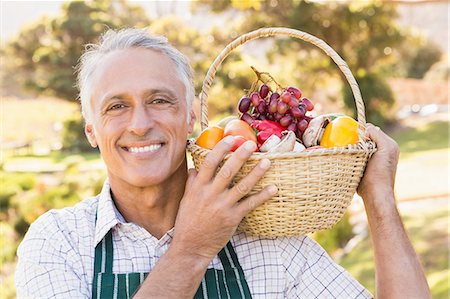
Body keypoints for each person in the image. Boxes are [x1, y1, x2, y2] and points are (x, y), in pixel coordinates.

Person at [15, 28, 430, 299]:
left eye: (160, 100)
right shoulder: (59, 242)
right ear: (92, 131)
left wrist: (380, 202)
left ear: (191, 117)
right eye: (116, 107)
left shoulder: (263, 231)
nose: (140, 124)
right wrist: (193, 248)